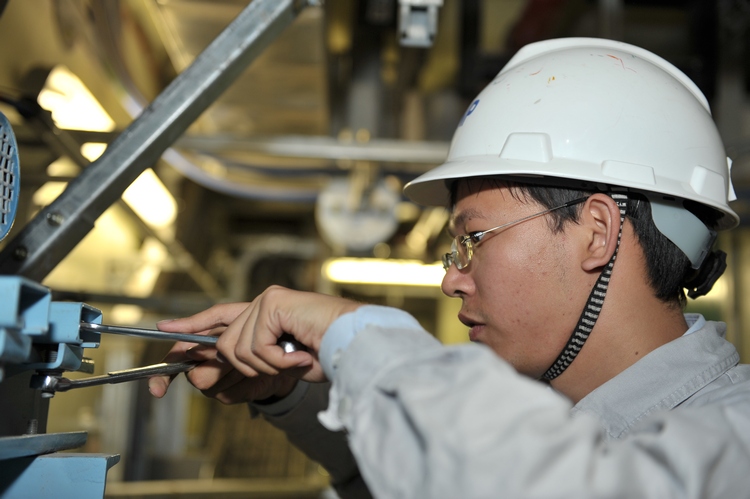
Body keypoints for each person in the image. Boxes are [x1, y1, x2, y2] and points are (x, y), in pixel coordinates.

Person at [148, 38, 750, 498]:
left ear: (596, 232)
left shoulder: (736, 433)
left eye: (472, 239)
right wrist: (289, 396)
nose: (451, 279)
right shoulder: (553, 422)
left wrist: (359, 336)